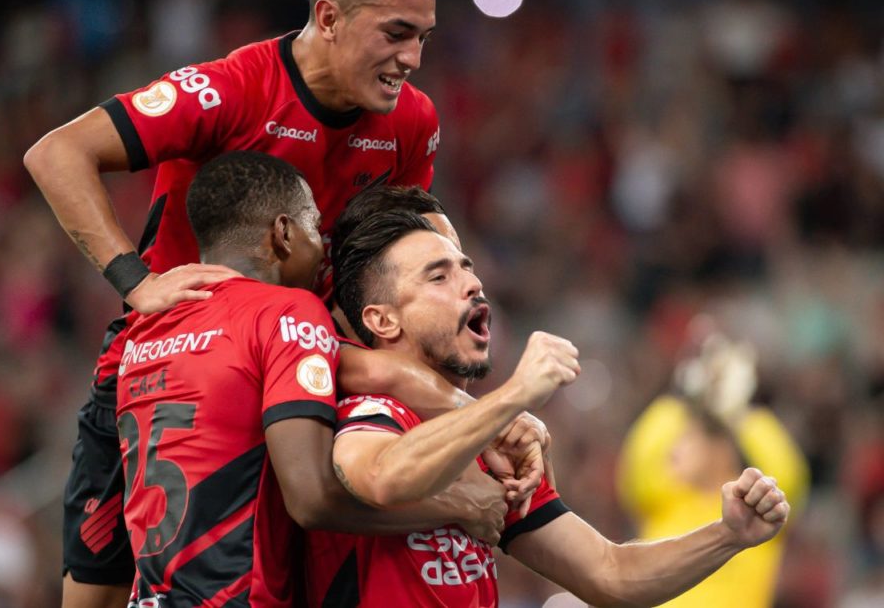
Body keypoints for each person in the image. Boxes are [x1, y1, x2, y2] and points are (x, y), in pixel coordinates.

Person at [21, 0, 469, 606]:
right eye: (397, 33)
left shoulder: (412, 123)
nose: (411, 58)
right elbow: (56, 154)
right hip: (172, 367)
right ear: (328, 17)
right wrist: (135, 282)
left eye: (423, 39)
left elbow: (405, 242)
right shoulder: (229, 91)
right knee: (97, 594)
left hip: (303, 360)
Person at [116, 152, 547, 606]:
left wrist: (492, 421)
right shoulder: (287, 311)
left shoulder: (147, 326)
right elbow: (313, 500)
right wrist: (457, 507)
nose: (323, 252)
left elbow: (370, 369)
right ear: (283, 234)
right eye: (314, 228)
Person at [307, 210, 794, 607]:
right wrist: (514, 396)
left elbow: (611, 575)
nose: (472, 284)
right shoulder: (367, 410)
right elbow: (382, 477)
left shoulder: (495, 451)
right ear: (382, 320)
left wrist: (728, 536)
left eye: (468, 268)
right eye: (439, 276)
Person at [617, 329, 809, 607]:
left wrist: (736, 406)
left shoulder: (755, 512)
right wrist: (685, 395)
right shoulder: (664, 499)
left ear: (718, 447)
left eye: (686, 438)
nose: (673, 449)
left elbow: (786, 472)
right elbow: (639, 458)